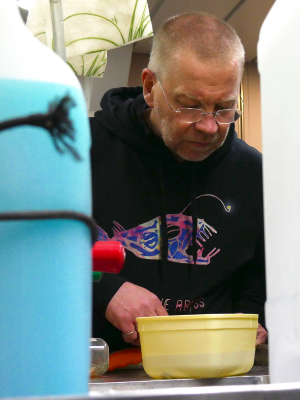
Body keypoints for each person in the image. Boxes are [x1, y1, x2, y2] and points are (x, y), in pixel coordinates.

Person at [90, 12, 267, 352]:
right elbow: (35, 249)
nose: (208, 126)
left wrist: (251, 317)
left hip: (212, 370)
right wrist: (108, 290)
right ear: (149, 87)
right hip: (99, 367)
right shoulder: (81, 149)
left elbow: (256, 270)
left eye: (224, 108)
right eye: (190, 106)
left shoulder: (252, 172)